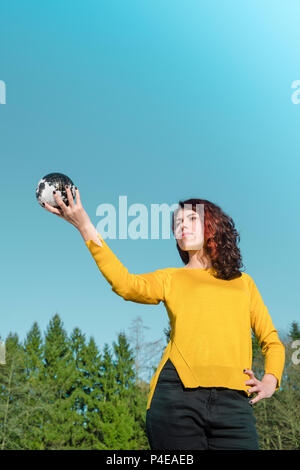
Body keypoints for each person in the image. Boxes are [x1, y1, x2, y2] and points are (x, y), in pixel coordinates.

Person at [43, 187, 285, 450]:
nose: (182, 226)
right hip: (176, 397)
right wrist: (85, 226)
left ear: (212, 226)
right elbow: (126, 284)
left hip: (235, 405)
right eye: (177, 222)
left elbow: (271, 341)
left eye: (192, 219)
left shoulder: (243, 283)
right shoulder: (170, 279)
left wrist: (271, 379)